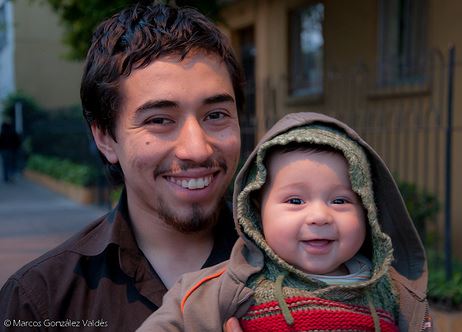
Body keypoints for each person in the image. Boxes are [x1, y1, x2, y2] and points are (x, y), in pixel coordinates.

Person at [0, 2, 244, 331]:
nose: (196, 149)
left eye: (215, 115)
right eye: (159, 120)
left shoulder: (311, 266)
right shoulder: (39, 303)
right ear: (104, 138)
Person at [137, 112, 433, 332]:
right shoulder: (229, 288)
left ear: (368, 212)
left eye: (340, 201)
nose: (319, 216)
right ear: (256, 212)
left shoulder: (395, 295)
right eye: (295, 201)